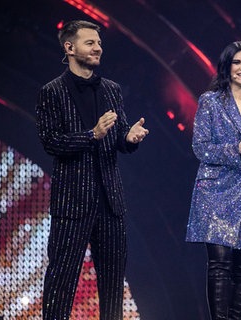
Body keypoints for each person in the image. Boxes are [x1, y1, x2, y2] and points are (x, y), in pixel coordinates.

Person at [36, 20, 149, 319]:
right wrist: (91, 135)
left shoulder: (111, 89)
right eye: (90, 43)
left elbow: (119, 135)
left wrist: (129, 137)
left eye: (99, 42)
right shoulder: (52, 92)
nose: (98, 48)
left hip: (110, 203)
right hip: (72, 203)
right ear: (70, 48)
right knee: (61, 280)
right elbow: (51, 142)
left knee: (113, 284)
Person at [185, 41, 241, 320]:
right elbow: (200, 147)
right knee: (219, 264)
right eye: (237, 62)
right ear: (227, 67)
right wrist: (234, 150)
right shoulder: (210, 102)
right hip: (215, 191)